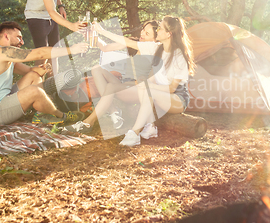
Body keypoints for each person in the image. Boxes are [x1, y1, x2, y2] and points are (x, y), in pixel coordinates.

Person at [66, 16, 195, 147]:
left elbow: (172, 89)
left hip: (177, 99)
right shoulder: (156, 48)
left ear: (169, 34)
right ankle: (147, 127)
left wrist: (146, 85)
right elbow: (127, 42)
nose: (158, 30)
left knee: (146, 89)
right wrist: (102, 31)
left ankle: (134, 133)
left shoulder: (179, 56)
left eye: (160, 28)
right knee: (125, 87)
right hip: (158, 93)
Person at [0, 21, 88, 126]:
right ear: (6, 36)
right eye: (18, 38)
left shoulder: (6, 57)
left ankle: (40, 113)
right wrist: (71, 50)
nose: (22, 42)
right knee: (34, 91)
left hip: (2, 100)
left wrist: (39, 69)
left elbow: (29, 71)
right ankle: (62, 116)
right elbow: (39, 54)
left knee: (34, 77)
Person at [89, 20, 159, 128]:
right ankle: (114, 112)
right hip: (124, 85)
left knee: (111, 87)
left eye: (147, 33)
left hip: (137, 89)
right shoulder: (135, 43)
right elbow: (106, 48)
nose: (142, 33)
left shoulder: (155, 48)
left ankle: (88, 122)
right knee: (96, 69)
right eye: (143, 29)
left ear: (155, 39)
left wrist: (102, 30)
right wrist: (93, 35)